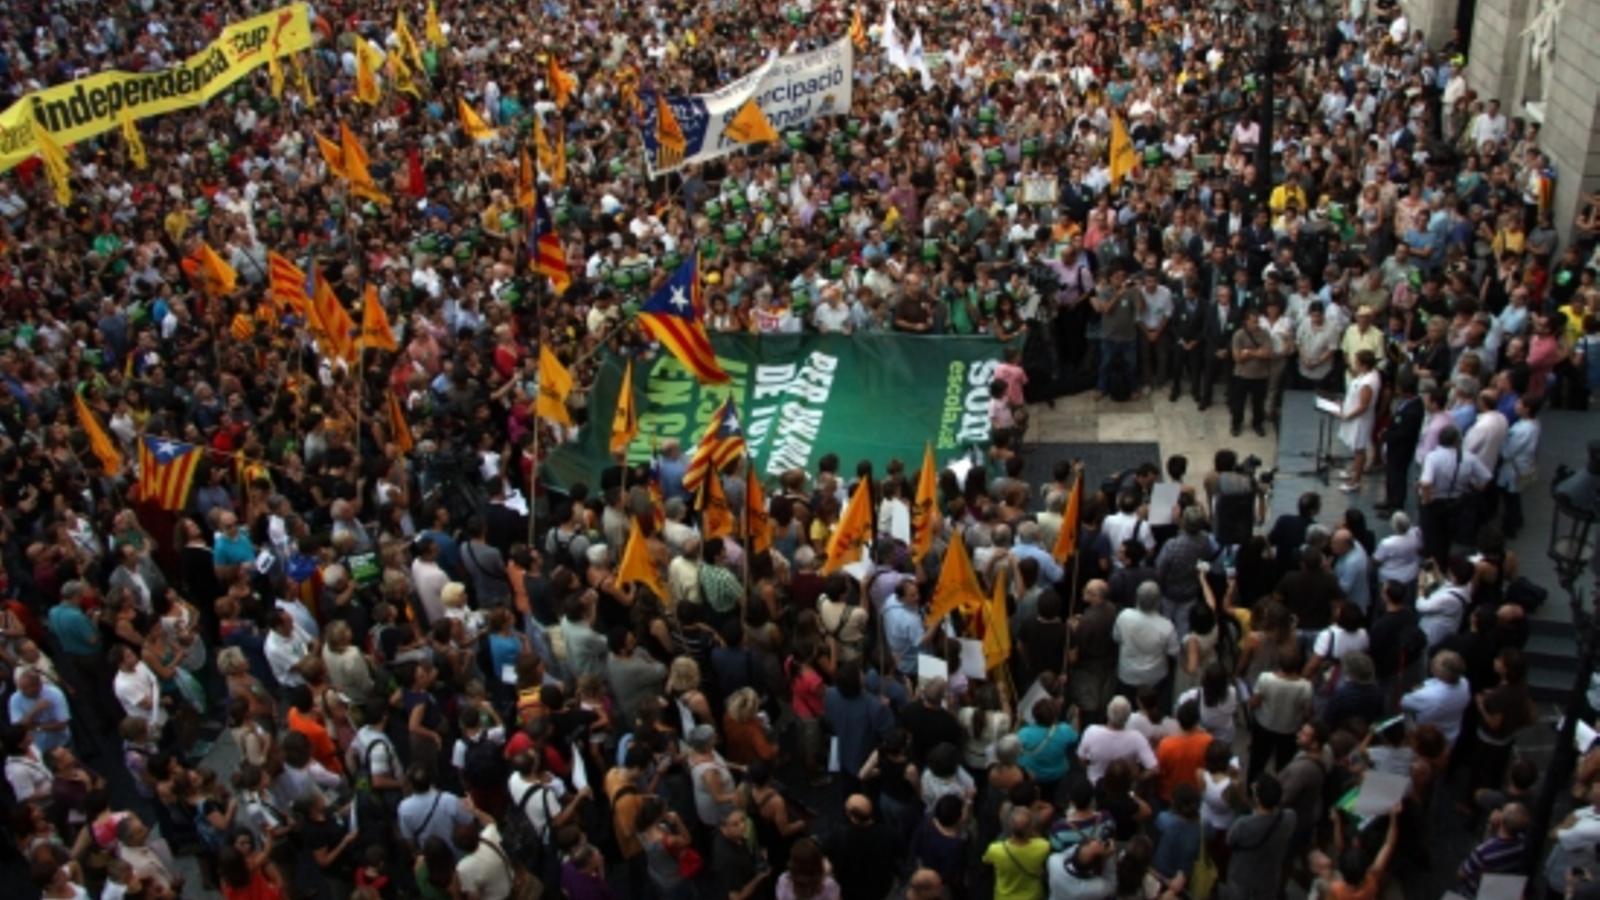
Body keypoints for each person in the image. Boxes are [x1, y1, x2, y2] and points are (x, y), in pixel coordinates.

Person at [1219, 775, 1296, 900]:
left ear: (1257, 798)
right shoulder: (1289, 817)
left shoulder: (1244, 824)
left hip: (1243, 879)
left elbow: (1230, 840)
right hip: (1270, 878)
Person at [983, 807, 1051, 900]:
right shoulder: (1043, 846)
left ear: (1009, 827)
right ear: (1031, 827)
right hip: (1033, 896)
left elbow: (987, 861)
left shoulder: (995, 849)